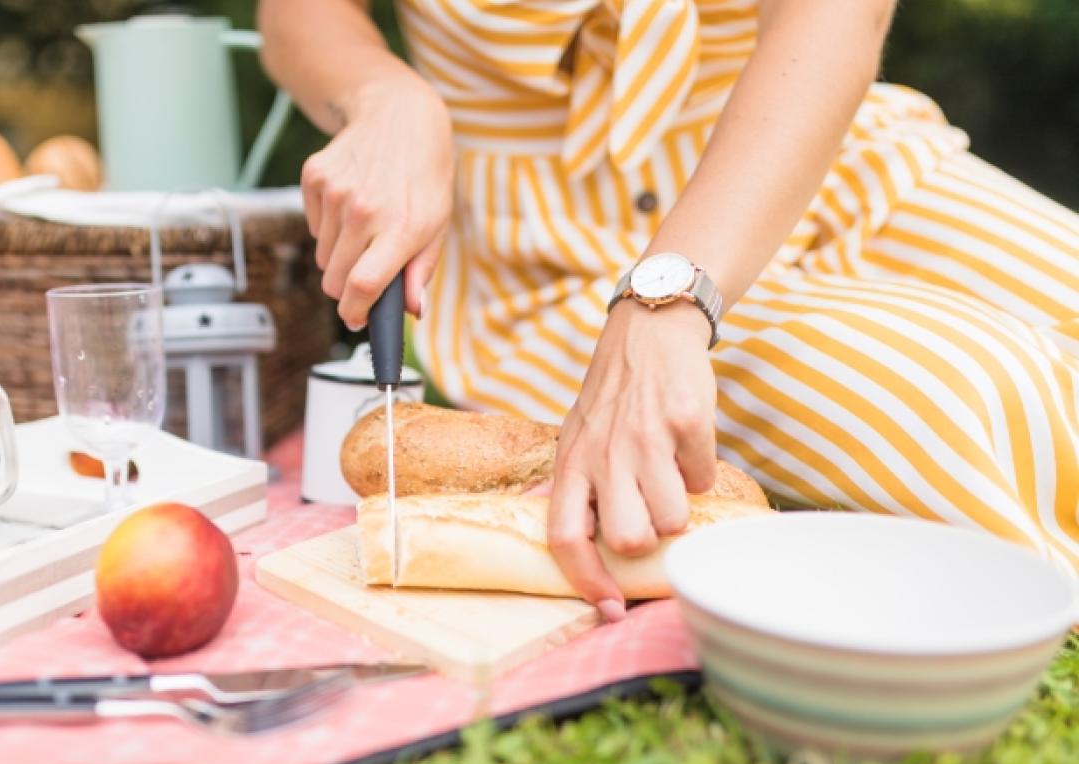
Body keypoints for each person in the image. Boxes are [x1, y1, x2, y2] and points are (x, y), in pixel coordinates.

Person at [259, 0, 1079, 620]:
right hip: (554, 260)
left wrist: (671, 293)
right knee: (980, 394)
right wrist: (386, 96)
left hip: (828, 159)